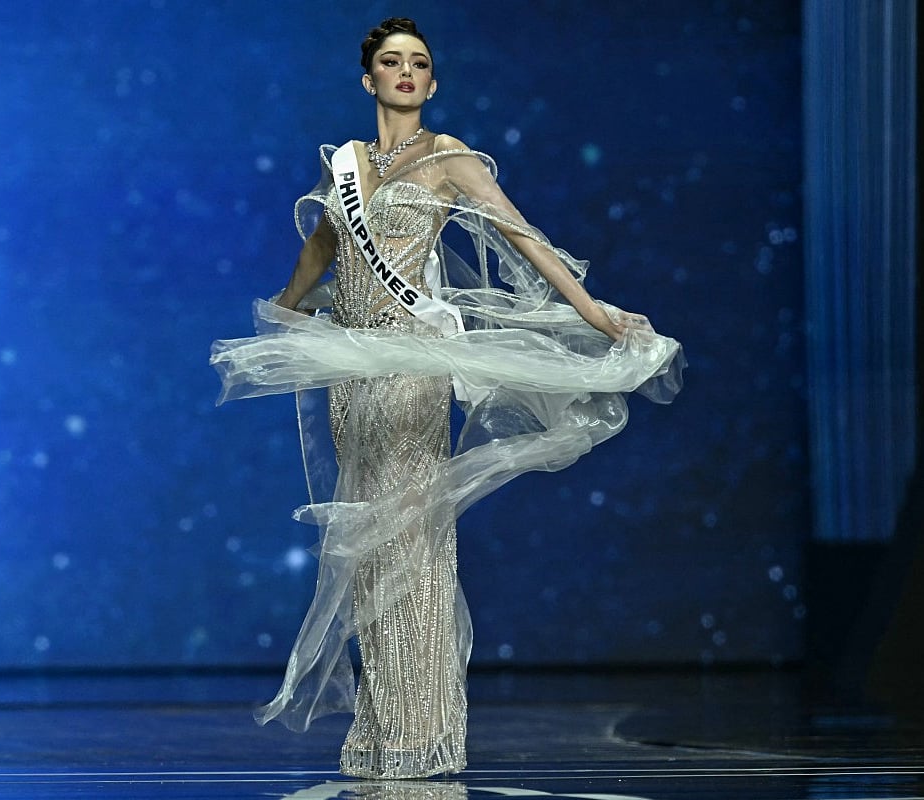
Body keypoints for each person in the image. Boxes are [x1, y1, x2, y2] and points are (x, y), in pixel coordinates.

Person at [211, 17, 684, 780]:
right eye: (390, 62)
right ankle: (379, 729)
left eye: (418, 64)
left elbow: (521, 236)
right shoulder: (349, 163)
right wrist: (285, 309)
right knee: (369, 541)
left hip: (410, 365)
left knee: (409, 539)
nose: (404, 72)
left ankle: (418, 732)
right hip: (352, 368)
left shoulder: (448, 158)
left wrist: (593, 313)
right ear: (368, 80)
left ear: (431, 83)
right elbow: (323, 249)